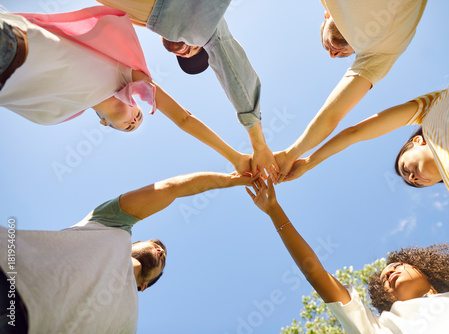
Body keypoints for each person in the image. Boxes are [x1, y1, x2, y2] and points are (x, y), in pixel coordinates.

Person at [0, 7, 252, 175]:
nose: (133, 119)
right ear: (135, 100)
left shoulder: (55, 116)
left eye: (129, 126)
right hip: (13, 42)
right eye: (139, 116)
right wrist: (235, 157)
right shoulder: (123, 75)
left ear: (104, 123)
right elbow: (184, 118)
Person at [0, 171, 257, 333]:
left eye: (163, 257)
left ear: (144, 286)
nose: (160, 250)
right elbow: (171, 188)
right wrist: (236, 179)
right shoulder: (110, 225)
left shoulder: (129, 325)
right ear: (132, 243)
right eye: (156, 244)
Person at [246, 178, 449, 333]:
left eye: (398, 265)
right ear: (384, 299)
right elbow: (316, 274)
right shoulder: (380, 327)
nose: (388, 271)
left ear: (425, 269)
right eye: (383, 279)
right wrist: (274, 211)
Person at [283, 41, 449, 219]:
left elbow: (353, 134)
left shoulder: (429, 111)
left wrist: (308, 162)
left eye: (405, 169)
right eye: (413, 182)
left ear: (416, 142)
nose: (412, 178)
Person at [94, 0, 279, 181]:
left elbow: (183, 119)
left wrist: (235, 158)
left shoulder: (137, 20)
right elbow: (233, 67)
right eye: (195, 47)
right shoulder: (199, 24)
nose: (185, 52)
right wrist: (258, 144)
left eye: (183, 54)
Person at [274, 0, 428, 182]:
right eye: (348, 54)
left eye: (325, 45)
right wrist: (291, 155)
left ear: (326, 14)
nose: (333, 54)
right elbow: (332, 114)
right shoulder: (378, 54)